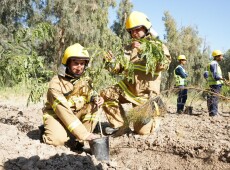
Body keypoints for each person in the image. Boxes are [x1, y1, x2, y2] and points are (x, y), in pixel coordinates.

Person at [102, 11, 171, 135]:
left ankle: (155, 114)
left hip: (145, 95)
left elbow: (163, 65)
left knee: (142, 131)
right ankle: (120, 126)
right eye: (131, 31)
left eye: (137, 30)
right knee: (106, 94)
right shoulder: (128, 48)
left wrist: (144, 51)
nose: (134, 33)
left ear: (146, 28)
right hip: (128, 88)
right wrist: (110, 62)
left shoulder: (158, 46)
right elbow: (118, 69)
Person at [41, 43, 104, 148]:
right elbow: (63, 110)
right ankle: (48, 130)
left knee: (94, 105)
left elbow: (90, 94)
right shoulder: (55, 84)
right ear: (67, 63)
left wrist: (96, 98)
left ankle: (78, 138)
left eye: (82, 64)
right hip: (57, 116)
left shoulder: (85, 80)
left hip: (74, 116)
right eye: (75, 63)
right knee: (58, 141)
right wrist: (83, 134)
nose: (79, 67)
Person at [206, 50, 225, 116]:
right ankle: (214, 113)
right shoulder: (214, 64)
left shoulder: (213, 63)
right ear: (216, 57)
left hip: (214, 84)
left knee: (213, 98)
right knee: (214, 98)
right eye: (221, 56)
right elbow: (215, 76)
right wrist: (222, 78)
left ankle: (212, 112)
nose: (222, 57)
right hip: (215, 84)